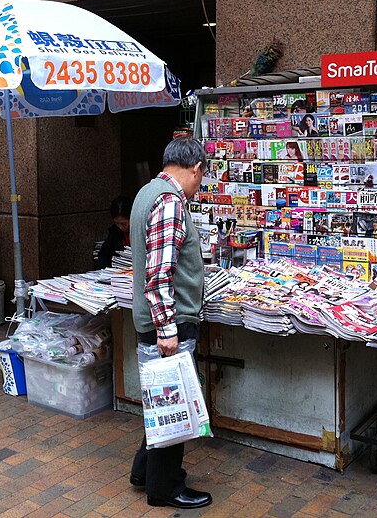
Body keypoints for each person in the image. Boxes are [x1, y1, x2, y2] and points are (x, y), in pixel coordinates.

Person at [129, 136, 212, 510]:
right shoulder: (169, 203)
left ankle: (143, 471)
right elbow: (160, 274)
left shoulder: (148, 192)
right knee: (173, 407)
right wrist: (168, 330)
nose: (200, 186)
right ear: (195, 169)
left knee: (160, 401)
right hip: (169, 324)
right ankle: (164, 488)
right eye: (202, 177)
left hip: (155, 320)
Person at [94, 196, 131, 269]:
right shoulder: (115, 232)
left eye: (123, 224)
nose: (120, 227)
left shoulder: (142, 231)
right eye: (117, 223)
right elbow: (104, 255)